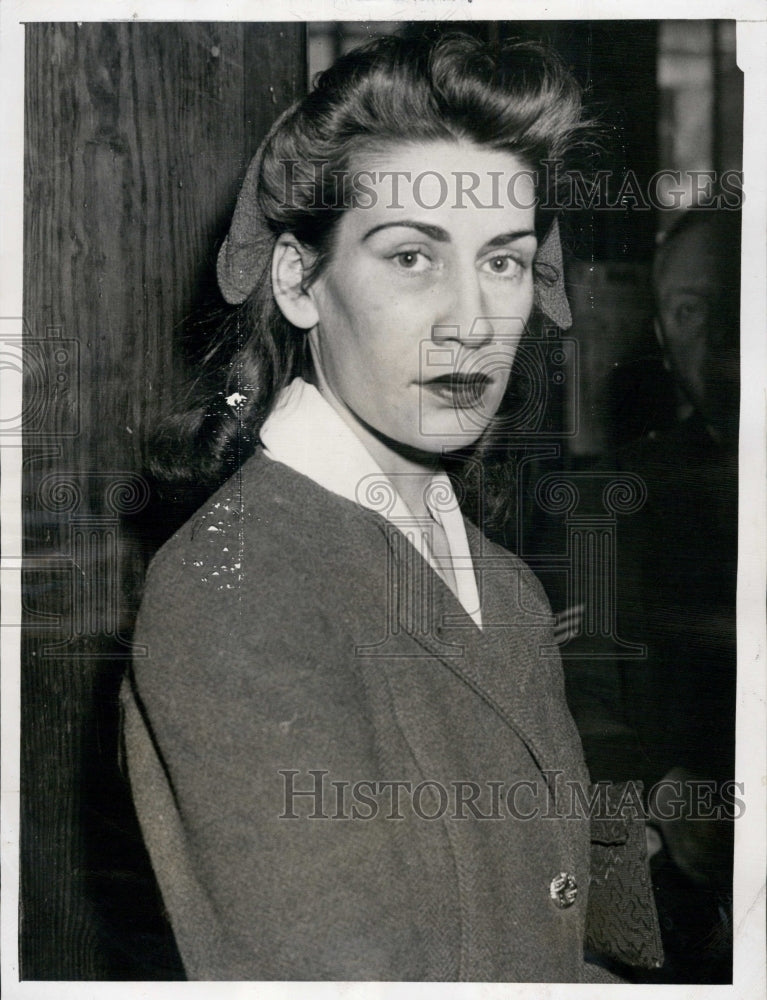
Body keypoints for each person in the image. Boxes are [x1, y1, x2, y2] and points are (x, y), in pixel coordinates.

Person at [120, 33, 662, 982]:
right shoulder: (237, 595)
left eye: (503, 262)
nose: (470, 321)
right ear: (297, 280)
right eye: (412, 256)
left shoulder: (498, 583)